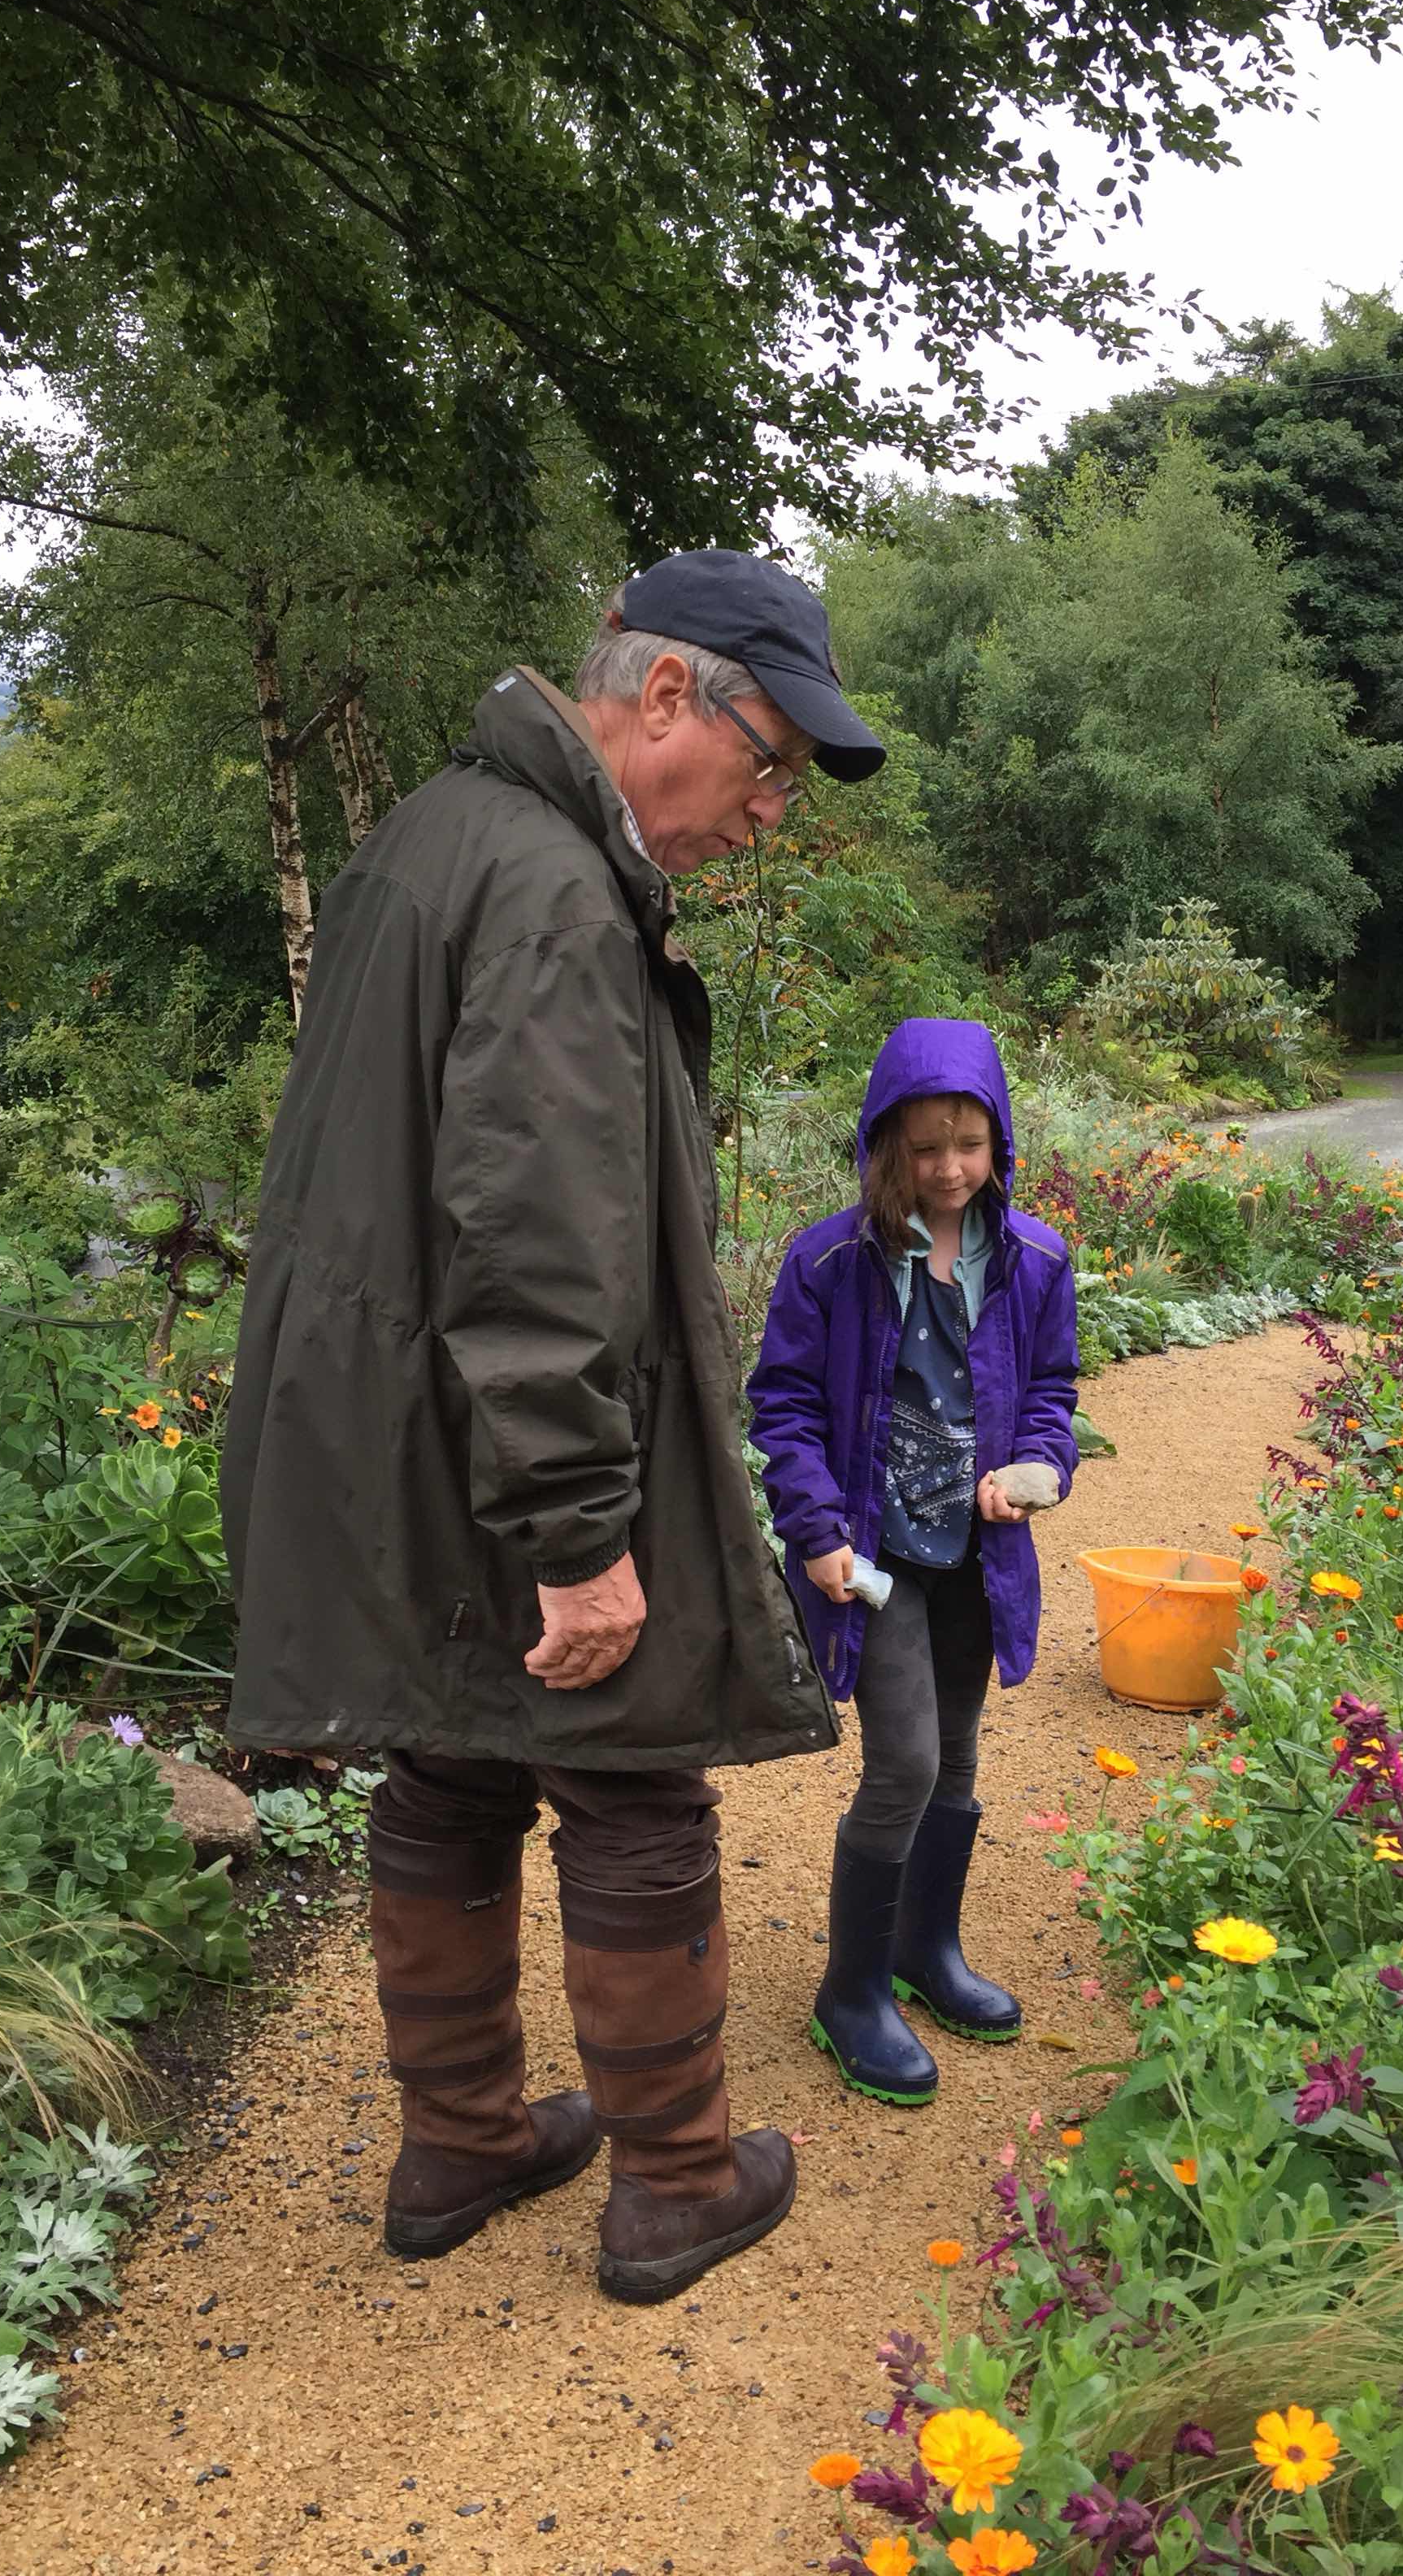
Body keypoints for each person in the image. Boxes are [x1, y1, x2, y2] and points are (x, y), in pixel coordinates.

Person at [219, 552, 887, 2302]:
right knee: (628, 1766)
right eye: (769, 764)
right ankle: (675, 2178)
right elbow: (531, 1240)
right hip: (504, 1427)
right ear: (665, 694)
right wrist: (583, 1532)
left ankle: (462, 2139)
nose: (768, 812)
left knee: (450, 1754)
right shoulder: (559, 892)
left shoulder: (434, 835)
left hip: (398, 1420)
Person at [747, 1020, 1080, 2105]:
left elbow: (1052, 1392)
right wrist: (816, 1530)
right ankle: (851, 1991)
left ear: (999, 1143)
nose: (947, 1169)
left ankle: (925, 1951)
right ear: (885, 1143)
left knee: (959, 1754)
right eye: (925, 1147)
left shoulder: (1035, 1260)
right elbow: (784, 1406)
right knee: (905, 1763)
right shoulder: (828, 1263)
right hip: (873, 1557)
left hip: (975, 1557)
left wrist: (1039, 1466)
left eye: (969, 1145)